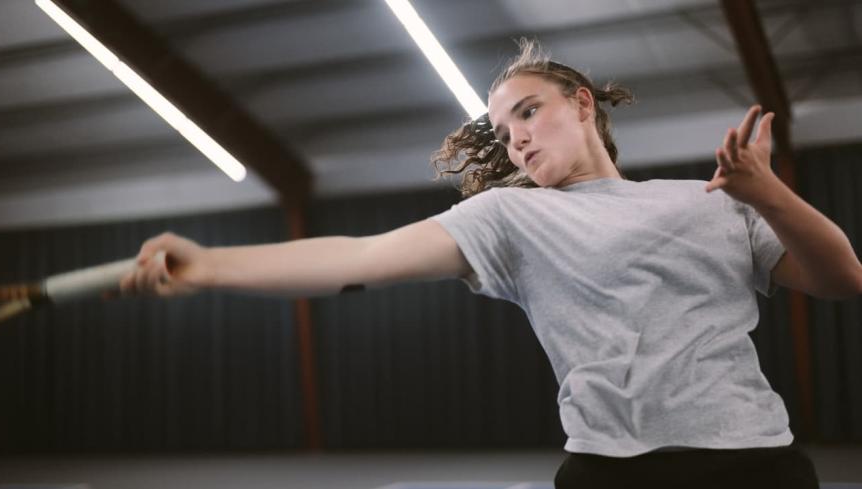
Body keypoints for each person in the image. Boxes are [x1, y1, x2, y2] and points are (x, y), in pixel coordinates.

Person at [120, 39, 861, 488]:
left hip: (755, 464)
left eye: (528, 112)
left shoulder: (711, 200)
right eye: (504, 134)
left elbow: (842, 278)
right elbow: (358, 257)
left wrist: (769, 194)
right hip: (612, 473)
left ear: (581, 105)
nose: (517, 140)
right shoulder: (512, 217)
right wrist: (209, 265)